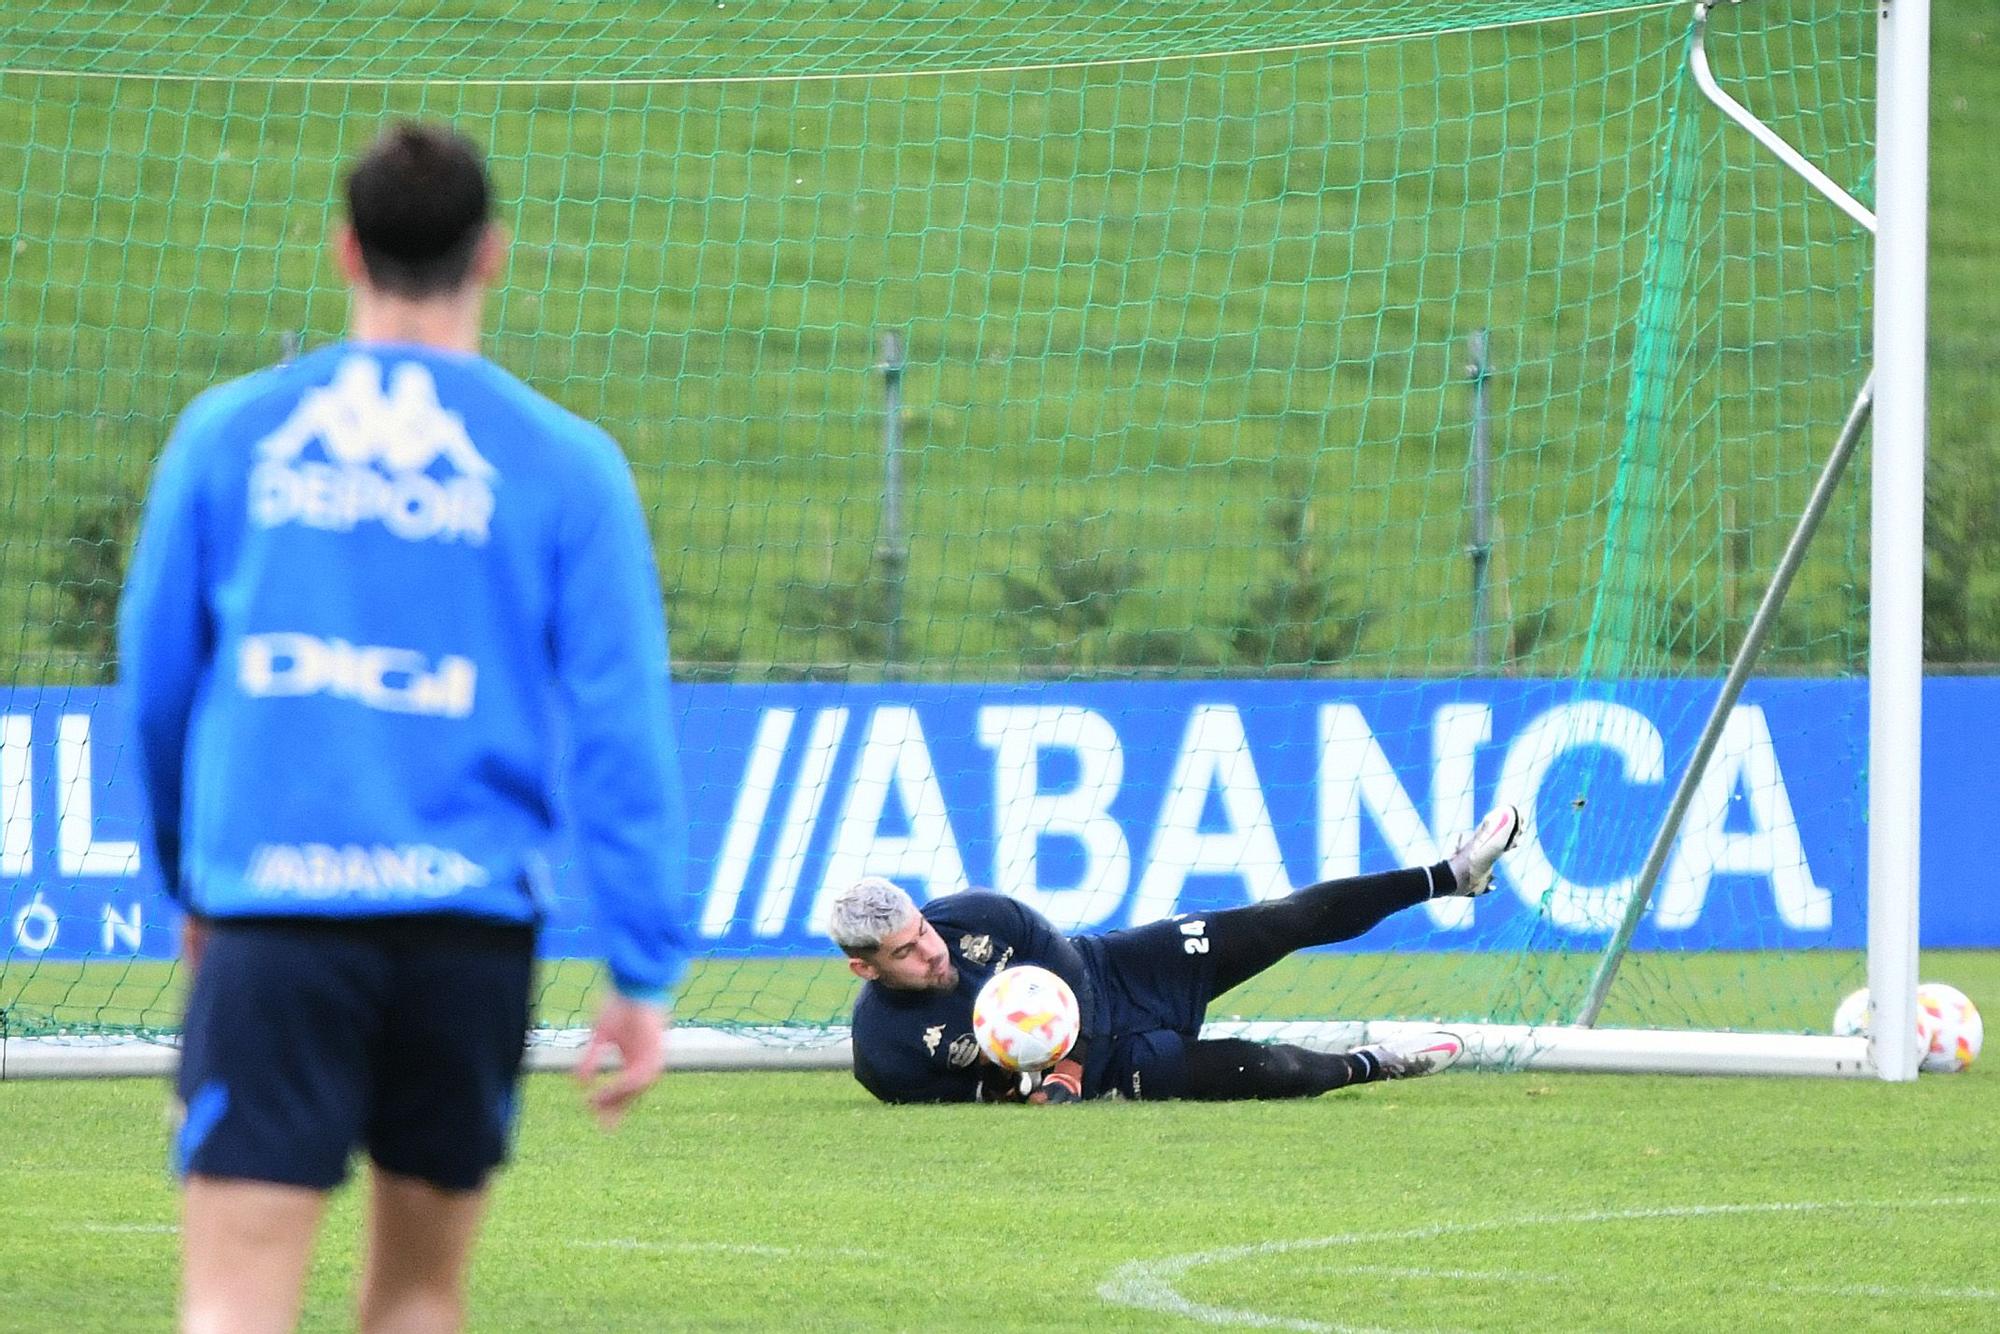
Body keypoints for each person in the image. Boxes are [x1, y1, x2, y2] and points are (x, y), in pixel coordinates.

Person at [118, 123, 692, 1333]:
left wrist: (192, 880)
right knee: (421, 1299)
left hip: (276, 915)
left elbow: (161, 684)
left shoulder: (231, 436)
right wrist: (640, 965)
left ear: (344, 250)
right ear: (492, 255)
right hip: (465, 933)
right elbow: (620, 728)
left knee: (230, 1303)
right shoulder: (567, 464)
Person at [829, 807, 1524, 1104]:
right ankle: (1378, 1064)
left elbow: (1070, 974)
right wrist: (1032, 1092)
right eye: (906, 952)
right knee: (1268, 1071)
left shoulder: (978, 914)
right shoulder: (883, 1052)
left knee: (1279, 920)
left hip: (1118, 973)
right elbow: (972, 1099)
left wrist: (1064, 1065)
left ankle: (1454, 874)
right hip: (1117, 1069)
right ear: (865, 968)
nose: (931, 949)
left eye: (923, 929)